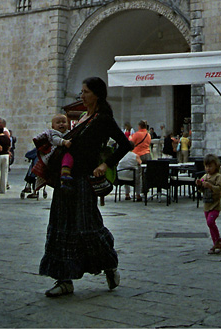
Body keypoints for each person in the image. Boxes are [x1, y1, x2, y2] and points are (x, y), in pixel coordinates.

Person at [39, 76, 131, 297]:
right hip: (66, 180)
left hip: (83, 180)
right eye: (81, 91)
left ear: (97, 94)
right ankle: (64, 279)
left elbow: (126, 144)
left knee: (87, 226)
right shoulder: (82, 117)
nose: (82, 95)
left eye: (86, 92)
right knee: (61, 225)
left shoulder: (103, 119)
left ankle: (109, 266)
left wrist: (105, 164)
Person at [33, 114, 74, 190]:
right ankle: (64, 175)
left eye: (64, 122)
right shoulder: (53, 133)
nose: (61, 124)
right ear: (53, 126)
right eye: (58, 123)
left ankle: (65, 175)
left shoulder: (69, 132)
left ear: (68, 124)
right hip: (56, 155)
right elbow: (55, 140)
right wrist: (64, 142)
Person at [196, 154, 221, 254]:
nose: (208, 169)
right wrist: (199, 184)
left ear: (215, 166)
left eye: (210, 166)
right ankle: (215, 242)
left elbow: (219, 189)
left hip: (215, 205)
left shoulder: (217, 177)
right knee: (210, 225)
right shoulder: (205, 176)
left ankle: (218, 240)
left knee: (210, 222)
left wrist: (210, 186)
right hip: (207, 204)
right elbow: (201, 187)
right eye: (206, 166)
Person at [0, 123, 11, 194]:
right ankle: (3, 189)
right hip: (6, 155)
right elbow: (9, 146)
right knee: (5, 172)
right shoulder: (7, 138)